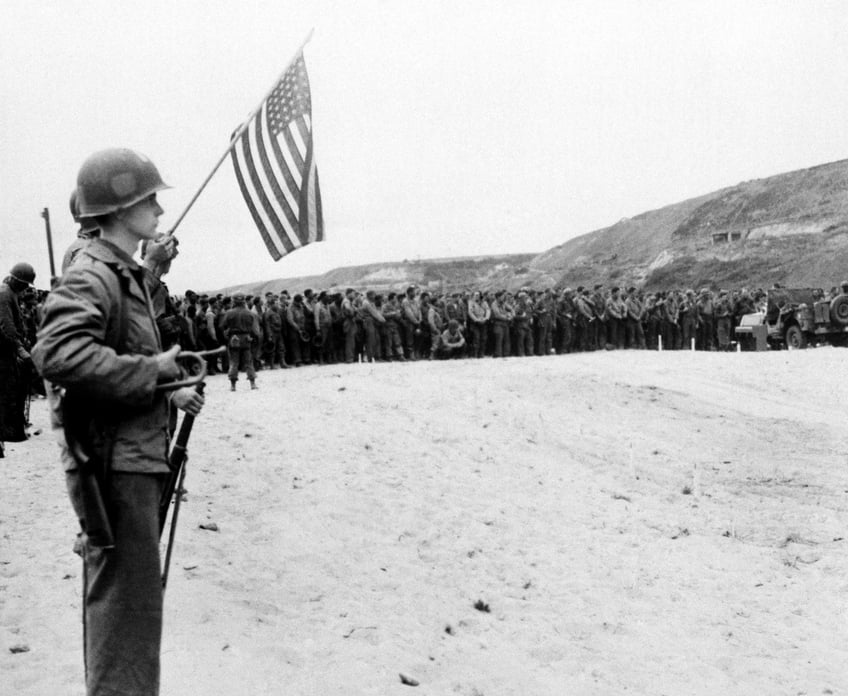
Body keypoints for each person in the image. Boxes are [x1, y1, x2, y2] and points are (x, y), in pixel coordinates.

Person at [32, 148, 205, 696]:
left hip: (130, 457)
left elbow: (115, 347)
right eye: (147, 197)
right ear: (118, 205)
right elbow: (56, 354)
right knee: (125, 613)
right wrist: (150, 371)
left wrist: (167, 384)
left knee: (132, 612)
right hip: (115, 464)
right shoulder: (94, 273)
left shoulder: (121, 272)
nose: (157, 207)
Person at [0, 262, 36, 452]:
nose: (25, 289)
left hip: (8, 350)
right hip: (4, 351)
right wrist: (21, 350)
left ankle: (12, 430)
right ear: (15, 280)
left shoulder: (10, 293)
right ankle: (8, 432)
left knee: (11, 389)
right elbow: (8, 328)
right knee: (7, 391)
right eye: (23, 284)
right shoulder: (4, 294)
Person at [220, 293, 259, 390]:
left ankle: (233, 386)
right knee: (249, 361)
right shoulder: (250, 313)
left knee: (234, 362)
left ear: (233, 301)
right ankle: (252, 383)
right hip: (246, 338)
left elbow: (222, 326)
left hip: (234, 338)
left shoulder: (228, 313)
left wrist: (228, 333)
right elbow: (255, 330)